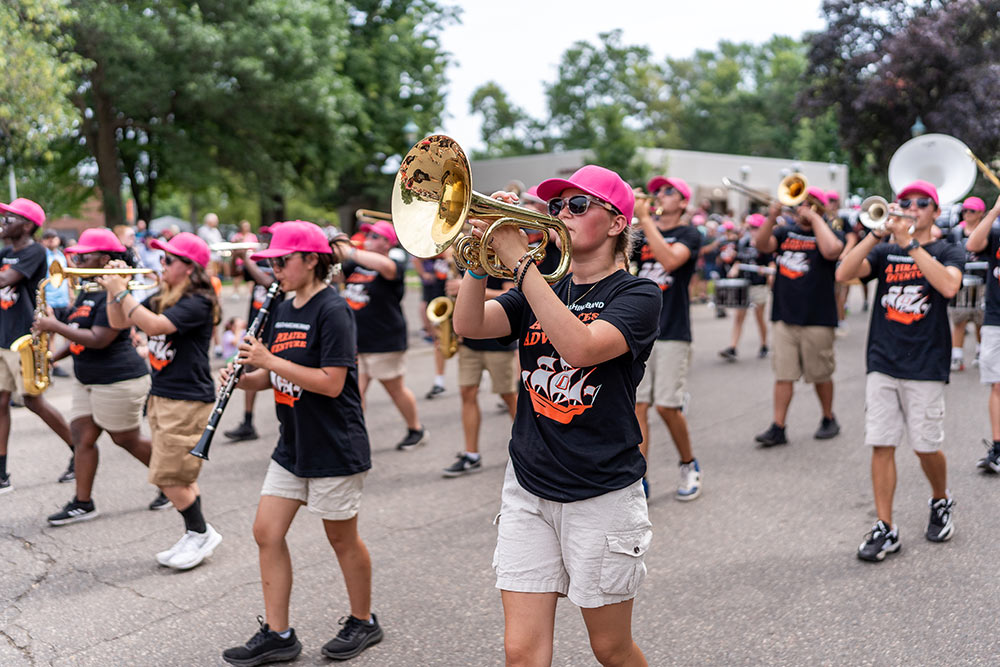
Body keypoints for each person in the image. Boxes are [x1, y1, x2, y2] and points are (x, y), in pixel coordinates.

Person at [453, 165, 658, 667]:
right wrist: (481, 260)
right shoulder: (541, 287)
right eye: (556, 206)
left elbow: (582, 347)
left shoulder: (639, 295)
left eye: (577, 205)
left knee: (609, 648)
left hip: (601, 491)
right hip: (529, 483)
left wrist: (519, 261)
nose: (561, 213)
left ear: (615, 223)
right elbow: (469, 324)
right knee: (520, 651)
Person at [221, 221, 382, 665]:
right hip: (292, 442)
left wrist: (268, 359)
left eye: (283, 261)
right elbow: (272, 372)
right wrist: (242, 381)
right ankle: (279, 634)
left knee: (341, 539)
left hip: (334, 444)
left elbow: (331, 383)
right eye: (271, 262)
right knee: (266, 532)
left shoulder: (333, 310)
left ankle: (363, 620)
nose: (276, 270)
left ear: (311, 259)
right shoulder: (281, 305)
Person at [836, 180, 964, 561]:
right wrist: (874, 234)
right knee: (882, 441)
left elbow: (949, 287)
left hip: (925, 363)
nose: (912, 208)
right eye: (905, 202)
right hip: (883, 359)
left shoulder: (947, 248)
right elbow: (844, 274)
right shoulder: (886, 251)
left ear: (935, 211)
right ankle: (885, 526)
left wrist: (911, 244)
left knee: (925, 446)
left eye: (921, 203)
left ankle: (941, 500)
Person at [100, 231, 222, 569]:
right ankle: (195, 532)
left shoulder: (198, 300)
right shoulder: (166, 293)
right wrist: (116, 292)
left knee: (167, 476)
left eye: (168, 259)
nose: (161, 265)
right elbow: (118, 321)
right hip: (163, 394)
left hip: (186, 398)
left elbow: (154, 327)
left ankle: (200, 533)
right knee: (177, 474)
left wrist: (121, 289)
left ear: (189, 267)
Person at [35, 228, 154, 525]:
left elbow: (99, 337)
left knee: (126, 439)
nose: (80, 257)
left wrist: (54, 326)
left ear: (104, 258)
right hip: (88, 379)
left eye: (86, 253)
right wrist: (51, 357)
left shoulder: (116, 291)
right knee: (83, 437)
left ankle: (175, 483)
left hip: (118, 379)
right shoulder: (88, 290)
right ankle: (83, 502)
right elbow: (78, 337)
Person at [752, 188, 845, 447]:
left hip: (818, 316)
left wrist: (815, 220)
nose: (801, 207)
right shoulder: (784, 232)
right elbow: (761, 245)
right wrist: (771, 218)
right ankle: (778, 426)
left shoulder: (831, 232)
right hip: (784, 315)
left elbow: (832, 251)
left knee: (820, 374)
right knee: (783, 374)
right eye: (800, 203)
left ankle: (828, 418)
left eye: (808, 204)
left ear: (819, 208)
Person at [631, 175, 703, 501]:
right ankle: (639, 478)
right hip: (640, 331)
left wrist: (645, 219)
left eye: (668, 191)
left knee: (666, 407)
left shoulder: (689, 234)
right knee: (638, 406)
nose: (659, 194)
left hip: (673, 330)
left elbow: (671, 260)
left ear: (683, 202)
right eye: (657, 190)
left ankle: (688, 463)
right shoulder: (641, 232)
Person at [0, 198, 75, 494]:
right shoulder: (6, 252)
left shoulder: (35, 251)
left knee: (34, 402)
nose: (3, 222)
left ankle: (77, 451)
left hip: (24, 341)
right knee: (0, 403)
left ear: (28, 225)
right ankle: (2, 474)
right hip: (3, 338)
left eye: (10, 218)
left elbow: (7, 278)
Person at [341, 220, 426, 450]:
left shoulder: (394, 262)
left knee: (395, 390)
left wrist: (350, 250)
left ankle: (415, 429)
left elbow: (386, 268)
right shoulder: (356, 265)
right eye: (368, 235)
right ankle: (354, 438)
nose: (368, 239)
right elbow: (335, 275)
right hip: (357, 340)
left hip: (384, 340)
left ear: (388, 243)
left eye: (375, 236)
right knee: (354, 394)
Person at [441, 271, 517, 477]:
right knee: (467, 393)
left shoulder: (500, 257)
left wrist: (469, 290)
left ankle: (528, 448)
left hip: (499, 341)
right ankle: (471, 454)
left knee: (508, 395)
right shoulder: (464, 259)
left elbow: (511, 293)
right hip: (470, 343)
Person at [962, 194, 1000, 472]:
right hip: (996, 319)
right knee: (998, 384)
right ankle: (998, 449)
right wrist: (995, 210)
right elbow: (973, 244)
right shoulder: (996, 232)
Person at [719, 213, 773, 361]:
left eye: (756, 228)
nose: (752, 230)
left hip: (758, 284)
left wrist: (767, 272)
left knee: (759, 316)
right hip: (744, 284)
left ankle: (763, 345)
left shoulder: (765, 243)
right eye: (751, 227)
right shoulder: (742, 242)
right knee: (739, 317)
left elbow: (771, 263)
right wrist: (734, 268)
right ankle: (733, 347)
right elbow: (737, 259)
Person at [949, 196, 988, 371]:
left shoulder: (989, 231)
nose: (966, 214)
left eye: (971, 210)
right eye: (964, 210)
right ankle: (956, 357)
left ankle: (981, 353)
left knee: (981, 319)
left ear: (980, 213)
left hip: (983, 281)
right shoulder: (956, 231)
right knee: (959, 320)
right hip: (962, 281)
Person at [417, 251, 452, 398]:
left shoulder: (456, 245)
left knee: (466, 340)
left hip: (455, 294)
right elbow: (416, 256)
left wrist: (451, 257)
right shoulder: (430, 246)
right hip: (437, 296)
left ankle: (477, 377)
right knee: (439, 341)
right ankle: (439, 381)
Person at [41, 229, 73, 381]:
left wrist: (71, 295)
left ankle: (62, 358)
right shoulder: (43, 258)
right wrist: (46, 303)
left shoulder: (61, 256)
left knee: (69, 331)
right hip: (51, 302)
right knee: (51, 336)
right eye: (47, 238)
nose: (51, 241)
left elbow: (66, 277)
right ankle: (53, 365)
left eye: (53, 238)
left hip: (63, 300)